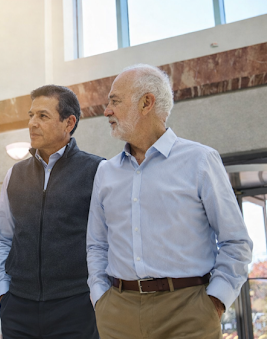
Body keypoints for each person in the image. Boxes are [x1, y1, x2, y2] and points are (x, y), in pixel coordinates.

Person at [87, 64, 253, 339]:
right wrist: (100, 298)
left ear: (146, 103)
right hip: (117, 313)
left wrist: (215, 302)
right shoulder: (106, 172)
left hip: (189, 314)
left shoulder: (200, 161)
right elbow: (97, 244)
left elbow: (235, 241)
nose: (107, 111)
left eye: (114, 101)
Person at [0, 85, 104, 339]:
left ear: (69, 122)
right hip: (18, 306)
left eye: (42, 116)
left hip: (76, 306)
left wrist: (97, 294)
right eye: (31, 116)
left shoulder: (98, 170)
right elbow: (2, 238)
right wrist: (3, 289)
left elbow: (107, 241)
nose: (32, 123)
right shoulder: (15, 174)